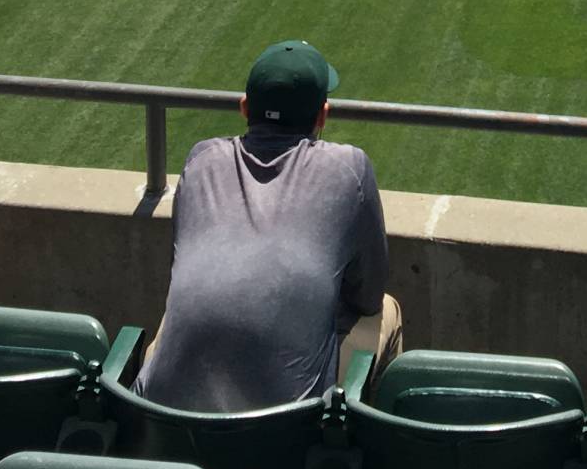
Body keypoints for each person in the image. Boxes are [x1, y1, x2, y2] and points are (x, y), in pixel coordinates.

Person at [132, 40, 400, 412]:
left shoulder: (201, 159)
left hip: (162, 417)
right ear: (323, 115)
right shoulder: (349, 167)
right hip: (281, 431)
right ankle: (356, 456)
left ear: (244, 108)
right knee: (387, 310)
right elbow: (367, 295)